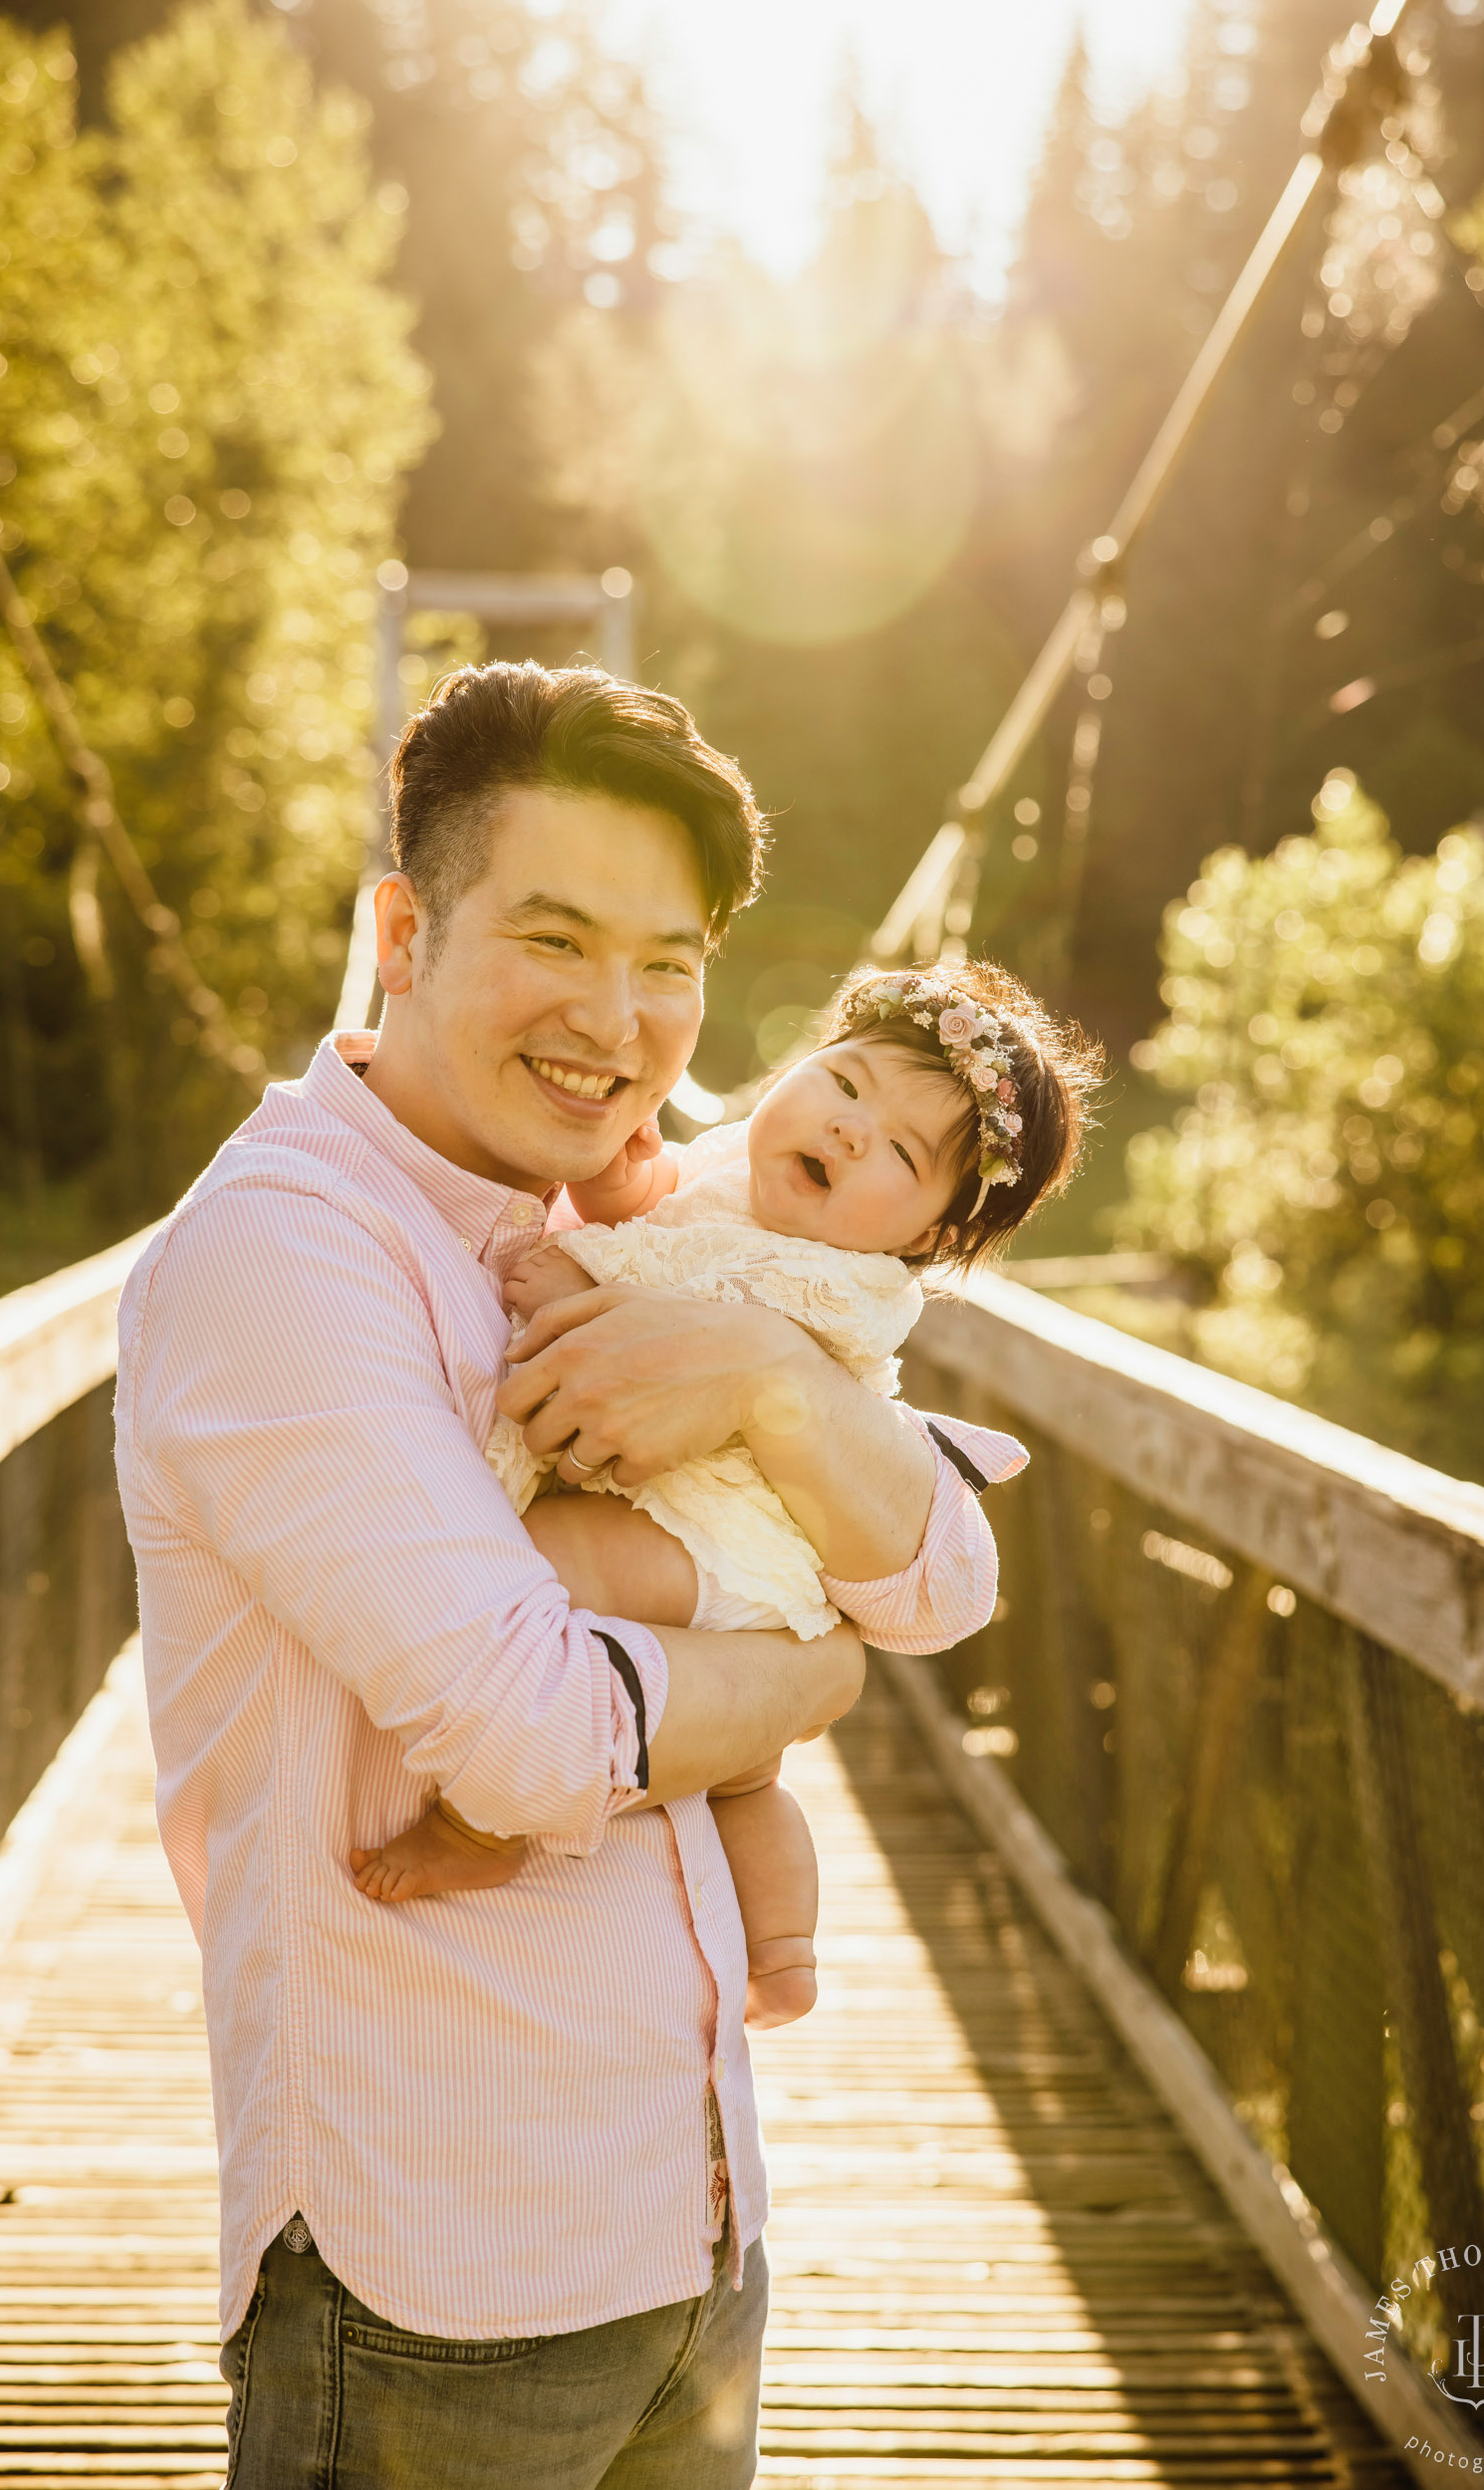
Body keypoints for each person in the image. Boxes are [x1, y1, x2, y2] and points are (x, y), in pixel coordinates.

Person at [116, 659, 1032, 2490]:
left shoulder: (624, 1209)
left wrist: (772, 1381)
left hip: (688, 2229)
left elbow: (941, 1578)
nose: (620, 1023)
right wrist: (809, 1681)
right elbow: (535, 1746)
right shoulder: (290, 1261)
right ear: (401, 929)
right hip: (441, 2278)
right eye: (555, 939)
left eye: (672, 963)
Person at [352, 960, 1099, 2043]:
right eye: (842, 1084)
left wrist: (587, 1289)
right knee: (747, 1786)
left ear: (927, 1240)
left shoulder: (842, 1281)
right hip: (717, 1552)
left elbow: (688, 1319)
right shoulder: (734, 1174)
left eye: (896, 1151)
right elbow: (668, 1218)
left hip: (717, 1536)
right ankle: (785, 1948)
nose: (848, 1131)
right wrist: (617, 1189)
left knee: (552, 1557)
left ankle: (478, 1827)